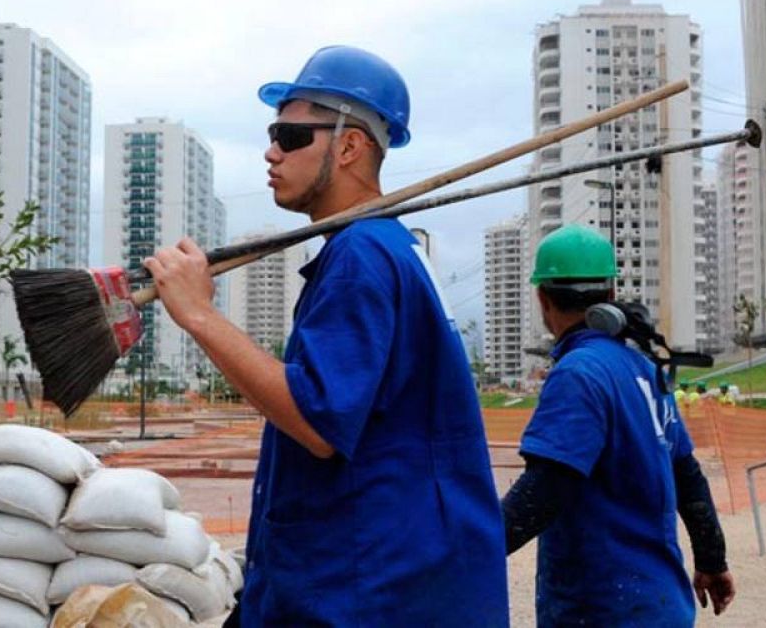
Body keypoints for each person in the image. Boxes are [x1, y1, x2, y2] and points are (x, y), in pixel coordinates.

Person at [144, 46, 508, 626]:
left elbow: (317, 423)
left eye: (289, 135)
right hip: (397, 580)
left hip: (368, 592)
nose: (270, 151)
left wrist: (199, 316)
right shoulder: (391, 249)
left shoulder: (361, 256)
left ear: (348, 146)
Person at [501, 224, 735, 626]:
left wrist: (465, 552)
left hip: (602, 608)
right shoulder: (645, 369)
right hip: (660, 606)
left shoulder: (578, 374)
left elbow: (545, 492)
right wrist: (712, 559)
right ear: (610, 294)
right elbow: (688, 476)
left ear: (542, 297)